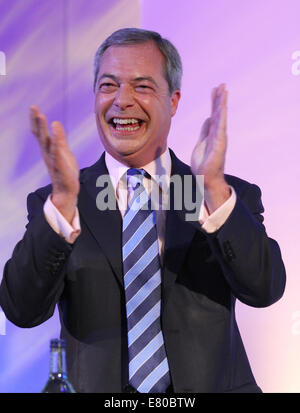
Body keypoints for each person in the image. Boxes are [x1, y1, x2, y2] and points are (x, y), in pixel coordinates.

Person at [0, 28, 286, 393]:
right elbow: (22, 310)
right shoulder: (58, 203)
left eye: (143, 86)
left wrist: (212, 187)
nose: (122, 100)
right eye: (108, 85)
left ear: (174, 101)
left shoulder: (224, 195)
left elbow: (264, 289)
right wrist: (61, 205)